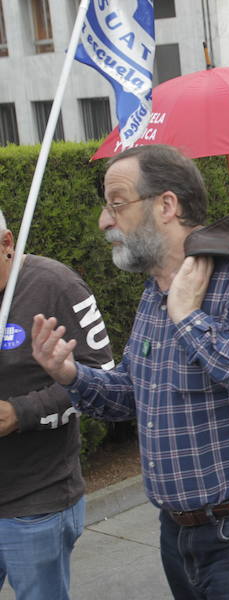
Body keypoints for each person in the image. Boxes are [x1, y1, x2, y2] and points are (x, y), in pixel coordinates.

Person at [30, 145, 229, 600]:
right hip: (177, 532)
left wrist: (191, 319)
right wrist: (70, 375)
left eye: (116, 204)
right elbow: (131, 395)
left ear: (167, 205)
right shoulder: (153, 293)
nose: (104, 220)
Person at [0, 208, 114, 600]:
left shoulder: (56, 286)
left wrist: (21, 413)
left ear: (7, 243)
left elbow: (103, 380)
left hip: (35, 500)